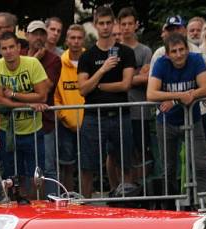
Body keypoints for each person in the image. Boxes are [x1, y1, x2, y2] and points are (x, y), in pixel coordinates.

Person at [147, 33, 206, 208]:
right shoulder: (161, 63)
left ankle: (205, 205)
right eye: (174, 51)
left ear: (187, 49)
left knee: (200, 163)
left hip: (193, 118)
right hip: (166, 121)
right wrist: (181, 96)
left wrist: (175, 100)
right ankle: (170, 209)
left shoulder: (196, 59)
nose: (178, 54)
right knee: (168, 168)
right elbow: (151, 94)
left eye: (182, 49)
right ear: (167, 54)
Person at [77, 6, 135, 197]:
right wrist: (102, 70)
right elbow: (83, 89)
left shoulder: (125, 53)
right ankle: (85, 206)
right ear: (95, 25)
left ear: (114, 24)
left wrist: (100, 86)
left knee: (125, 163)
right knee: (87, 165)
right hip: (94, 116)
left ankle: (128, 203)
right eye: (101, 23)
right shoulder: (87, 56)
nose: (105, 27)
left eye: (108, 23)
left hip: (120, 114)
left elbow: (126, 84)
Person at [0, 32, 49, 189]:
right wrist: (29, 104)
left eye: (11, 47)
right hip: (8, 132)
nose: (8, 51)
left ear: (18, 47)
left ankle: (38, 210)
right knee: (12, 180)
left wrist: (14, 95)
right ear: (0, 50)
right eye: (4, 48)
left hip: (33, 130)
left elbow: (42, 96)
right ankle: (17, 211)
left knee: (37, 178)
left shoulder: (32, 63)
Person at [119, 7, 153, 182]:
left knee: (141, 152)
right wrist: (137, 74)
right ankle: (120, 190)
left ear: (136, 25)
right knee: (118, 154)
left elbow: (148, 78)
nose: (126, 27)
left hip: (140, 110)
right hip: (119, 110)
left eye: (130, 23)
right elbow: (113, 79)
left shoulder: (145, 51)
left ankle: (141, 188)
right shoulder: (114, 50)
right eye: (123, 24)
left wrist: (125, 79)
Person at [26, 21, 61, 185]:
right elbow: (14, 86)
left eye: (42, 34)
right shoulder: (18, 55)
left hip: (44, 121)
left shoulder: (54, 60)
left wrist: (34, 63)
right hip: (22, 121)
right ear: (27, 36)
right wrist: (33, 60)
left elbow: (45, 88)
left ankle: (52, 205)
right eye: (34, 34)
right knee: (25, 168)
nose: (38, 37)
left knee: (48, 168)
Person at [53, 24, 86, 192]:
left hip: (88, 120)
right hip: (66, 123)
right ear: (66, 40)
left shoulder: (90, 59)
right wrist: (61, 114)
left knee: (87, 165)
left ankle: (86, 203)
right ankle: (68, 200)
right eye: (72, 38)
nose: (76, 41)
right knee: (67, 165)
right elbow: (55, 94)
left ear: (84, 40)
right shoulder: (59, 62)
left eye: (79, 38)